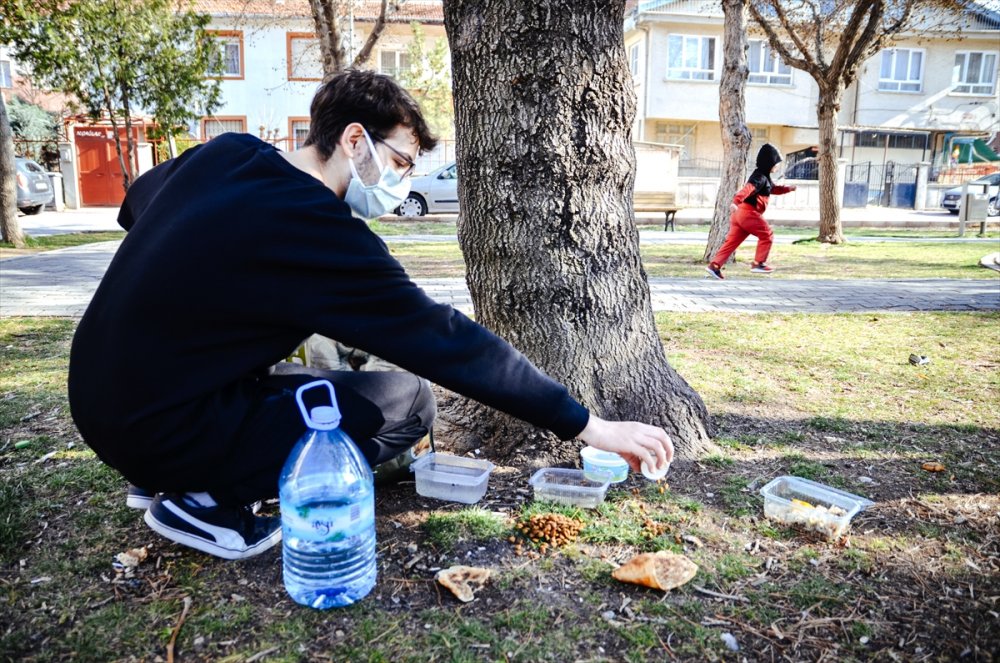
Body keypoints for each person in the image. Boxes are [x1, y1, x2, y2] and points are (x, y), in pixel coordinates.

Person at [67, 69, 674, 560]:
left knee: (291, 384)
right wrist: (590, 427)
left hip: (102, 399)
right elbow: (447, 340)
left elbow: (136, 201)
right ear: (355, 140)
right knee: (408, 401)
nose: (402, 180)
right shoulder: (318, 230)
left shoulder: (227, 153)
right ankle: (202, 499)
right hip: (164, 424)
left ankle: (163, 469)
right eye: (403, 161)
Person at [705, 144, 796, 280]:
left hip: (739, 215)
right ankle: (758, 263)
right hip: (748, 213)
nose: (777, 167)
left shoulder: (764, 177)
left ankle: (715, 266)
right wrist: (735, 202)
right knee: (767, 234)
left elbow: (773, 189)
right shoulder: (759, 177)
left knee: (732, 242)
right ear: (768, 162)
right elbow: (747, 189)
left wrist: (788, 189)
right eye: (776, 164)